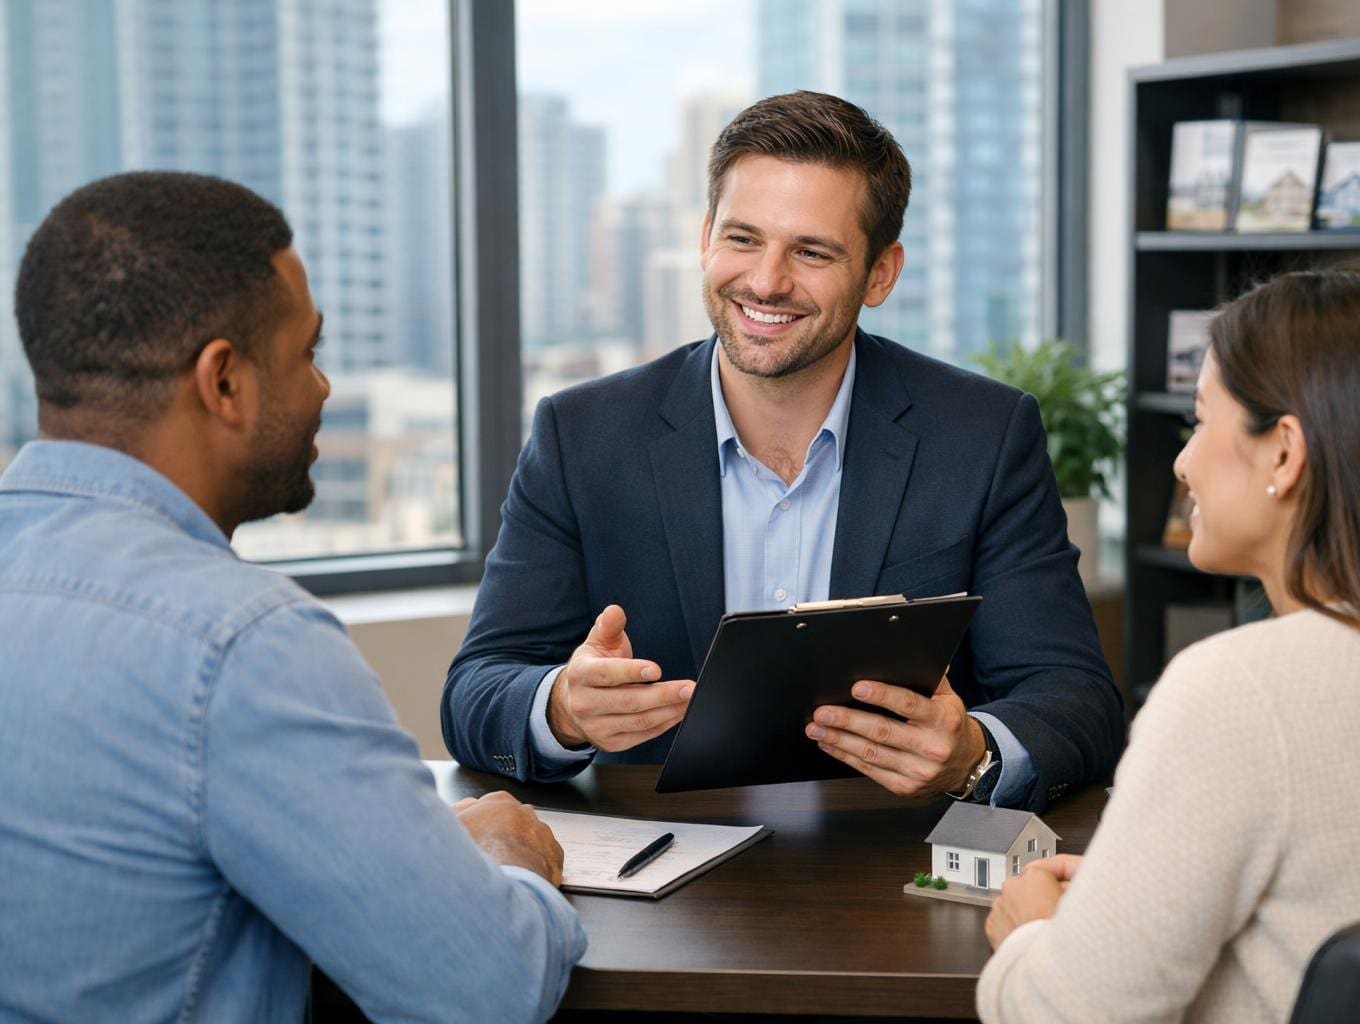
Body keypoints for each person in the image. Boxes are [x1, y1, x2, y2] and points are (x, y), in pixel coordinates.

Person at [0, 172, 585, 1022]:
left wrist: (411, 862)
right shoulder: (241, 647)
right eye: (307, 352)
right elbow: (486, 990)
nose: (323, 389)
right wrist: (503, 864)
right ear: (224, 382)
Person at [441, 91, 1122, 811]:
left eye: (811, 251)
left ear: (882, 273)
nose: (766, 281)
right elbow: (478, 688)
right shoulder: (579, 435)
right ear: (706, 237)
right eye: (742, 239)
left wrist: (971, 752)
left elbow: (1075, 700)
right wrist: (561, 709)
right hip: (658, 877)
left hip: (885, 874)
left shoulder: (983, 435)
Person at [977, 267, 1360, 1022]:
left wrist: (1032, 936)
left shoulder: (1240, 688)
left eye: (1201, 422)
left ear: (1284, 453)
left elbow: (1069, 1012)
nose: (1183, 463)